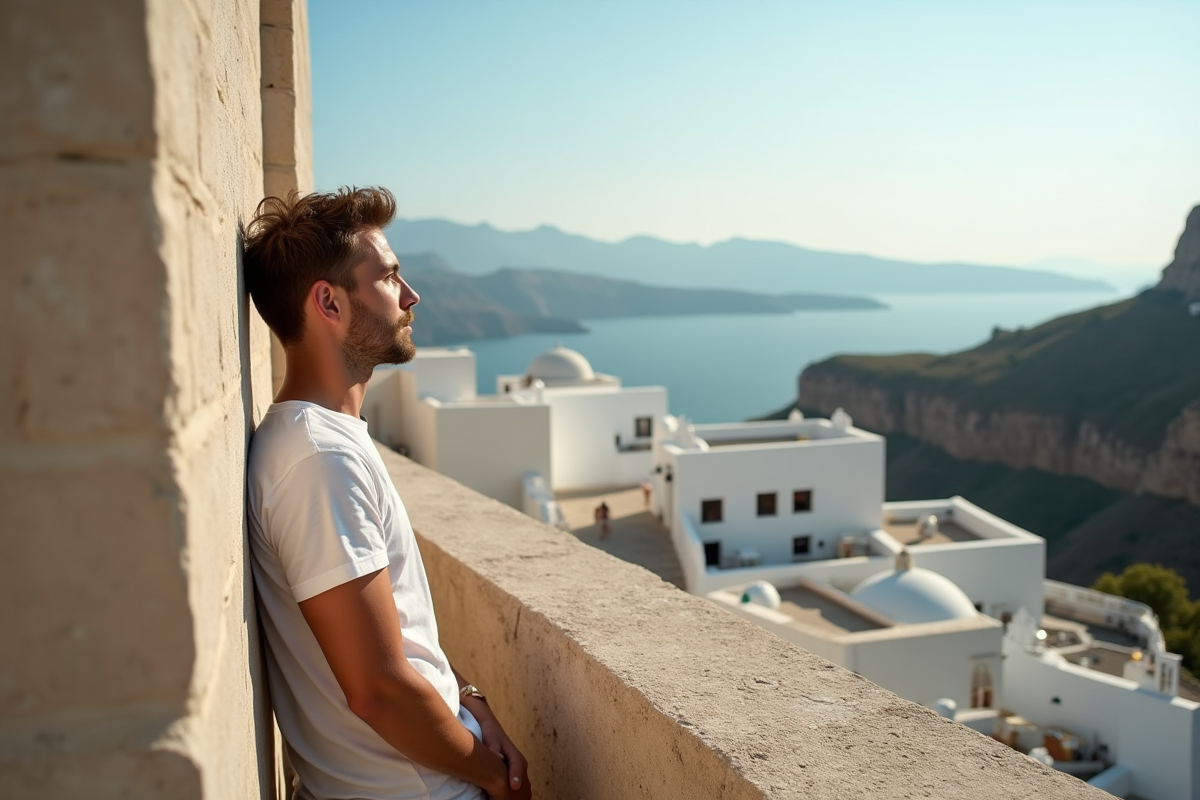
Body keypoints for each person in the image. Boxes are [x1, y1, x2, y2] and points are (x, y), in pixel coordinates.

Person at [243, 187, 530, 800]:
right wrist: (492, 778)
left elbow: (395, 635)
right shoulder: (319, 459)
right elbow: (377, 688)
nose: (411, 296)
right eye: (391, 277)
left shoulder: (324, 442)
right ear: (329, 301)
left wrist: (471, 702)